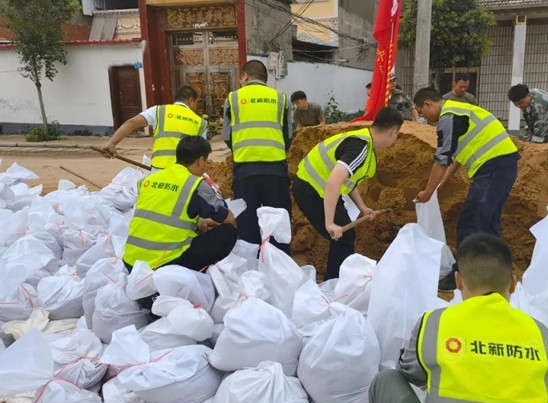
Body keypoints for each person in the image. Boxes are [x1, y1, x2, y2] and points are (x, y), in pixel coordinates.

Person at [369, 233, 548, 403]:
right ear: (513, 283)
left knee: (386, 380)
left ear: (458, 281)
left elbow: (410, 372)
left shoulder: (434, 323)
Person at [414, 87, 520, 292]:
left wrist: (428, 192)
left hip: (493, 167)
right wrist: (441, 182)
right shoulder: (460, 111)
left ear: (428, 104)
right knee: (488, 223)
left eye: (421, 112)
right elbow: (457, 158)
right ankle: (495, 274)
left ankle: (462, 275)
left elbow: (441, 160)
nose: (423, 117)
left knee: (470, 222)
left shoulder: (447, 117)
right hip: (503, 166)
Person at [293, 107, 404, 280]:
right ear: (393, 132)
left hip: (320, 189)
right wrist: (330, 223)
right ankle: (333, 286)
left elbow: (346, 182)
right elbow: (334, 181)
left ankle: (335, 282)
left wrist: (362, 207)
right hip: (311, 190)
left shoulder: (363, 141)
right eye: (397, 135)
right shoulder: (360, 148)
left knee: (344, 237)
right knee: (342, 238)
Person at [123, 136, 237, 273]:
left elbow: (165, 211)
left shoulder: (149, 179)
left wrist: (199, 222)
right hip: (164, 264)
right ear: (200, 161)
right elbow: (228, 217)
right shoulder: (195, 184)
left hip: (131, 262)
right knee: (228, 231)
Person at [222, 60, 293, 254]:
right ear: (265, 78)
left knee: (248, 226)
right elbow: (288, 135)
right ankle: (280, 269)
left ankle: (252, 272)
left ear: (245, 76)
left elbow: (227, 136)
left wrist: (244, 149)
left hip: (245, 170)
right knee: (278, 224)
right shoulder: (281, 98)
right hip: (276, 171)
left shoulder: (233, 98)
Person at [102, 85, 207, 171]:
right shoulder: (201, 122)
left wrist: (110, 144)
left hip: (158, 170)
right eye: (196, 103)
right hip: (184, 173)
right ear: (190, 100)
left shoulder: (159, 111)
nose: (196, 107)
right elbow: (201, 155)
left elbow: (132, 122)